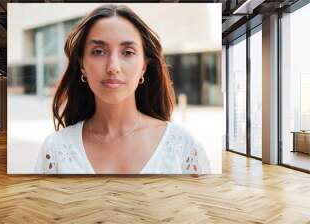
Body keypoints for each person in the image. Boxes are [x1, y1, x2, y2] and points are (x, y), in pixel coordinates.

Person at [35, 4, 211, 174]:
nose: (113, 67)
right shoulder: (55, 150)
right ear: (82, 64)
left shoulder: (183, 146)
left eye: (127, 52)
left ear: (143, 66)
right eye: (98, 51)